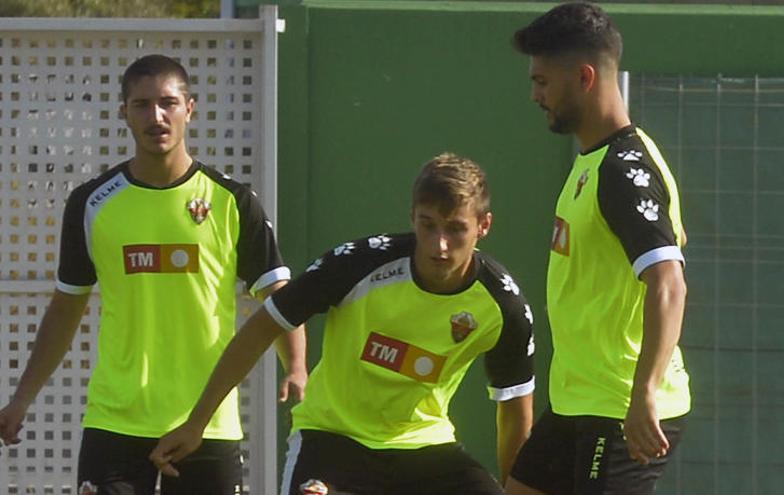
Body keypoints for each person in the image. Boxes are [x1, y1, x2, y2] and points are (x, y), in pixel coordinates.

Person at [0, 54, 306, 494]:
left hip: (207, 422)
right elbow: (66, 307)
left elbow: (278, 295)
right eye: (141, 105)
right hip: (116, 420)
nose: (156, 116)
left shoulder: (232, 202)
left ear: (189, 109)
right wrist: (22, 398)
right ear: (123, 113)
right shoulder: (91, 203)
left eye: (168, 103)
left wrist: (296, 366)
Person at [149, 153, 536, 495]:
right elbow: (262, 327)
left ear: (483, 226)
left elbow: (515, 405)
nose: (439, 245)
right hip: (332, 441)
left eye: (455, 229)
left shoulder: (502, 305)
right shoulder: (359, 263)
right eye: (428, 224)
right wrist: (196, 423)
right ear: (412, 217)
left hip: (424, 449)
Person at [506, 3, 690, 494]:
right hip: (575, 403)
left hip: (619, 410)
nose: (535, 95)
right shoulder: (591, 162)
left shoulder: (624, 173)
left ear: (584, 77)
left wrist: (644, 392)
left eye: (543, 81)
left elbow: (669, 282)